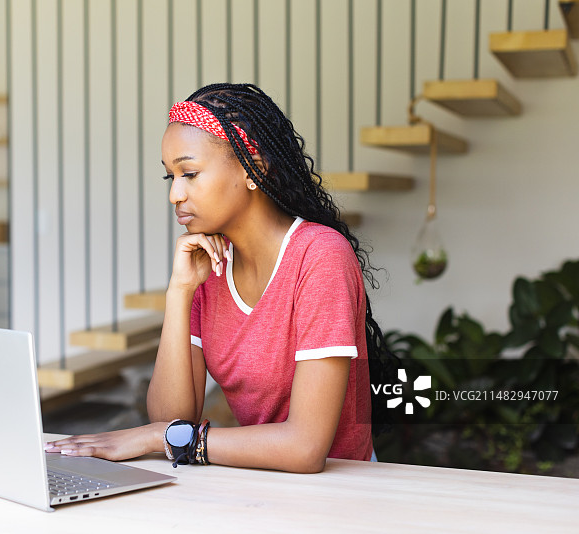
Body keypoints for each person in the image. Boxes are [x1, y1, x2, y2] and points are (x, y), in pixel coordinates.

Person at [45, 83, 397, 473]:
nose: (175, 194)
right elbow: (171, 416)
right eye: (170, 178)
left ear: (254, 168)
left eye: (189, 173)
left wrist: (154, 438)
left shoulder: (319, 257)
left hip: (343, 495)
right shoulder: (210, 266)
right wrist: (180, 292)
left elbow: (305, 448)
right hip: (262, 484)